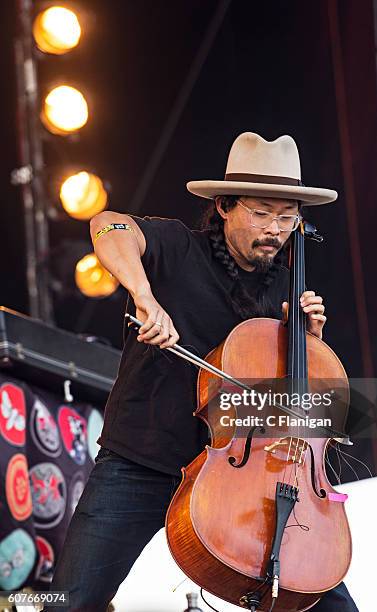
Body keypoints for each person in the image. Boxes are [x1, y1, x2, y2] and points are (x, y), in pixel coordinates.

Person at [49, 132, 358, 611]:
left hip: (244, 480)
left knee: (326, 601)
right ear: (225, 206)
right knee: (67, 601)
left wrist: (307, 347)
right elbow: (107, 225)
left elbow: (286, 409)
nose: (275, 228)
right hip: (142, 462)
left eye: (287, 216)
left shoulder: (287, 286)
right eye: (260, 212)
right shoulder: (177, 246)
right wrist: (145, 297)